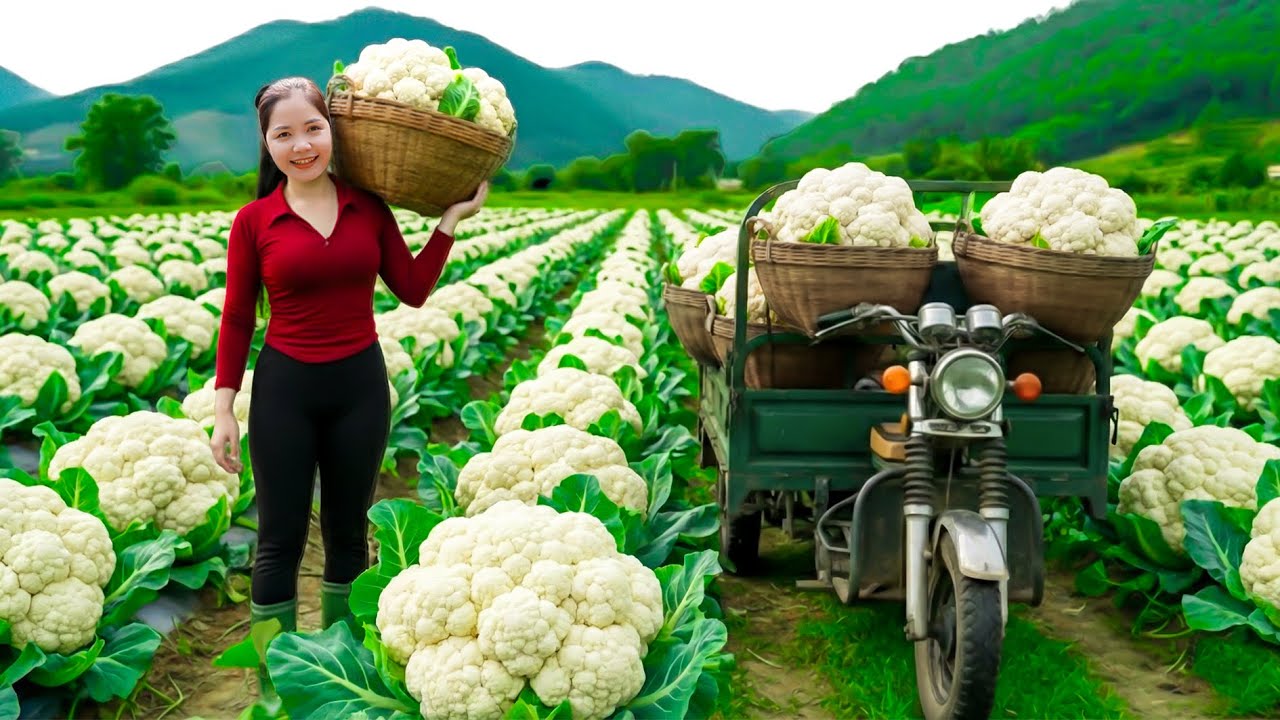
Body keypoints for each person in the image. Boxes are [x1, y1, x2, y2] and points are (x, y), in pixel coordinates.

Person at [208, 76, 487, 691]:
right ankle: (272, 682)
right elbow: (236, 315)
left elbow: (412, 290)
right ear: (266, 144)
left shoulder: (369, 206)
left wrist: (450, 221)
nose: (302, 144)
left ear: (333, 131)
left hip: (360, 388)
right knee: (277, 538)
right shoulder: (255, 221)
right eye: (284, 134)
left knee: (346, 530)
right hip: (284, 391)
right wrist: (225, 407)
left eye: (313, 128)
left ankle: (343, 672)